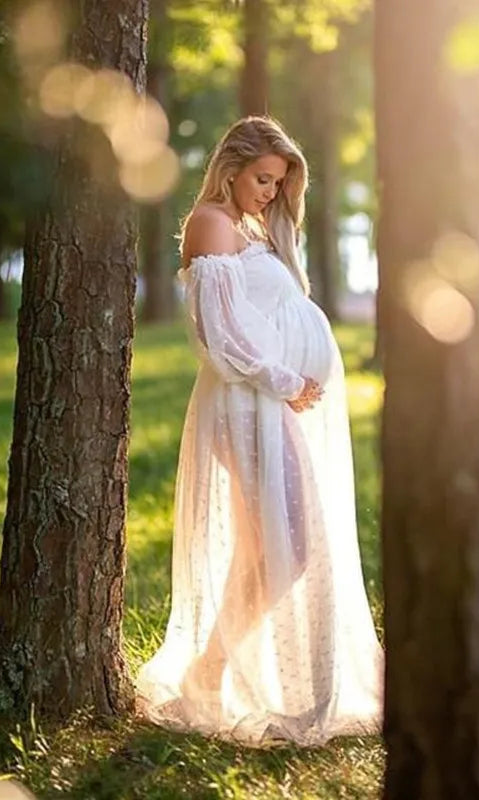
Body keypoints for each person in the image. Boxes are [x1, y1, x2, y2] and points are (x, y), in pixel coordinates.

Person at [135, 116, 383, 746]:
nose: (271, 192)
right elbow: (219, 335)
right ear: (231, 168)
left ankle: (212, 671)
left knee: (269, 545)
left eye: (279, 182)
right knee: (290, 545)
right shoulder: (211, 224)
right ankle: (208, 670)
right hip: (246, 402)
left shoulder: (251, 227)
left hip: (269, 403)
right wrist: (284, 378)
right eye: (263, 178)